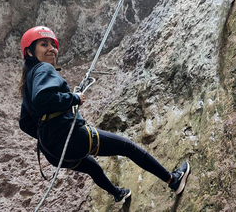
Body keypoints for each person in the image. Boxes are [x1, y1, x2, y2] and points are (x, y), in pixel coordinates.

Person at [18, 26, 190, 204]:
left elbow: (25, 123)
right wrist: (74, 98)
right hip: (73, 139)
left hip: (54, 153)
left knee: (91, 166)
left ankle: (119, 194)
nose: (51, 49)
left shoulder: (29, 81)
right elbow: (44, 98)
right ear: (30, 52)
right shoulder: (43, 68)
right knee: (127, 147)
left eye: (53, 45)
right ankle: (173, 180)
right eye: (44, 44)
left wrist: (49, 135)